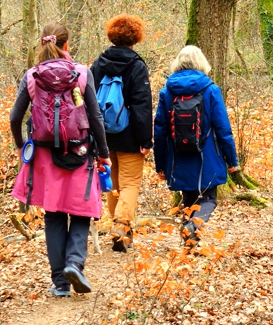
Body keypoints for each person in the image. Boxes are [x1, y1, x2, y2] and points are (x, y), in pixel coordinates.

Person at [10, 22, 111, 297]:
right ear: (66, 45)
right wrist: (103, 154)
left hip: (44, 156)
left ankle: (60, 283)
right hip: (80, 153)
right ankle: (74, 264)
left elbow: (14, 117)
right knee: (81, 210)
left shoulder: (31, 76)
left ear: (43, 44)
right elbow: (95, 117)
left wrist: (23, 148)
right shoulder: (81, 72)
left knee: (54, 215)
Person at [153, 46, 239, 248]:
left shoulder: (167, 91)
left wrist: (161, 165)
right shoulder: (211, 89)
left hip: (177, 155)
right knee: (209, 198)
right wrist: (232, 161)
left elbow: (160, 130)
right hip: (207, 154)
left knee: (188, 197)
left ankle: (189, 237)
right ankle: (192, 229)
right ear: (201, 63)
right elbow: (223, 128)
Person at [90, 14, 153, 253]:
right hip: (129, 137)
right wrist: (145, 140)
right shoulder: (136, 65)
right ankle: (120, 229)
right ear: (135, 37)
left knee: (114, 185)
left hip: (103, 135)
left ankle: (121, 233)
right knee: (130, 184)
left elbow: (89, 101)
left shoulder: (98, 63)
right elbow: (141, 105)